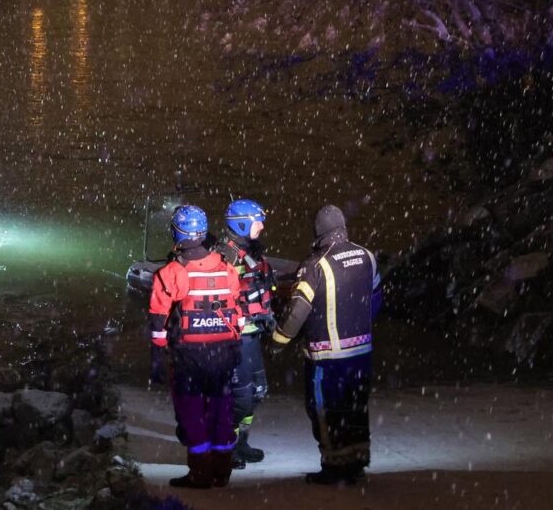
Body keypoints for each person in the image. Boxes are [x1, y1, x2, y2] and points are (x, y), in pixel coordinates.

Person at [271, 204, 382, 485]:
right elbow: (377, 298)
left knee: (325, 410)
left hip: (327, 358)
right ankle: (356, 463)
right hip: (361, 354)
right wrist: (358, 325)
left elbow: (298, 311)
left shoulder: (314, 265)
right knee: (356, 406)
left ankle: (333, 467)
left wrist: (277, 341)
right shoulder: (367, 256)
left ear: (318, 232)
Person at [149, 205, 244, 489]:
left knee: (192, 413)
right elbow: (237, 310)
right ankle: (222, 470)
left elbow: (157, 320)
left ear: (176, 233)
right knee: (221, 411)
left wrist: (157, 356)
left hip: (189, 357)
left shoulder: (171, 273)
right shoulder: (227, 268)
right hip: (224, 354)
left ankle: (200, 473)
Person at [214, 198, 274, 469]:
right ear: (241, 224)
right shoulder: (224, 256)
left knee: (258, 391)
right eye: (257, 221)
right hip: (235, 338)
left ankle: (241, 442)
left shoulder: (251, 252)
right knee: (240, 397)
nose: (262, 226)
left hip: (253, 334)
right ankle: (226, 447)